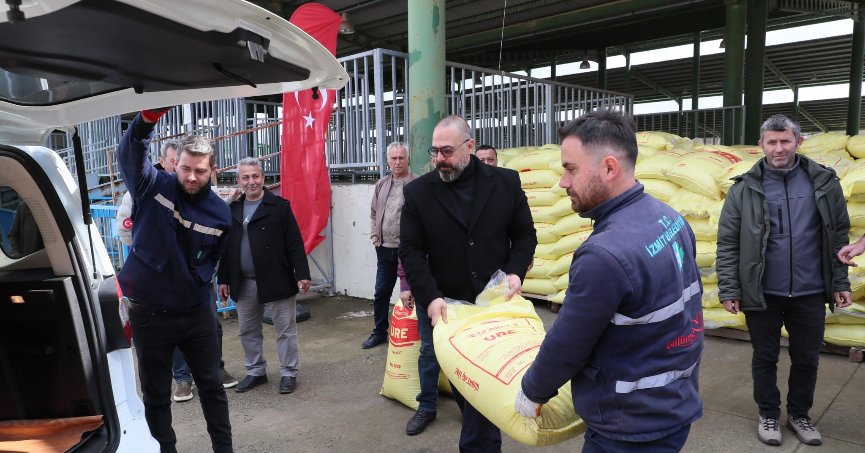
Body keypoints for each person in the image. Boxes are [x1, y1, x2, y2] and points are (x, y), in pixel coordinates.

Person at [515, 108, 703, 452]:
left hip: (629, 426)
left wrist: (532, 392)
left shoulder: (604, 254)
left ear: (609, 168)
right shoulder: (669, 217)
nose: (563, 182)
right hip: (673, 405)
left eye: (571, 169)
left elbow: (568, 344)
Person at [399, 116, 537, 446]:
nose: (439, 159)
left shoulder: (505, 182)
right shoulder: (418, 192)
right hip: (444, 305)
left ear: (470, 146)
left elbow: (524, 234)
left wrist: (515, 271)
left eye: (447, 151)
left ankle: (479, 441)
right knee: (465, 387)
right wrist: (430, 297)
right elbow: (411, 250)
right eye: (434, 151)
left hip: (493, 304)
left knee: (482, 391)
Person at [716, 114, 851, 447]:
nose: (779, 148)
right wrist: (730, 288)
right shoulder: (744, 189)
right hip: (762, 291)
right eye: (772, 142)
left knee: (807, 358)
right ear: (761, 145)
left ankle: (799, 415)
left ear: (798, 142)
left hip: (810, 290)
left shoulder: (824, 182)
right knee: (765, 358)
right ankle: (768, 414)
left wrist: (840, 282)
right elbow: (728, 243)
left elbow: (838, 236)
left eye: (785, 141)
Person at [117, 108, 233, 453]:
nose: (192, 177)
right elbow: (130, 155)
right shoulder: (152, 186)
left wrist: (198, 279)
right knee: (155, 394)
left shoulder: (220, 213)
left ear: (213, 170)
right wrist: (146, 120)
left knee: (212, 386)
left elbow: (214, 257)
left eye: (200, 170)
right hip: (149, 315)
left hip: (196, 314)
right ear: (174, 165)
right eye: (185, 168)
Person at [217, 157, 311, 394]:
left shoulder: (279, 207)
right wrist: (224, 278)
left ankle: (288, 373)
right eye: (246, 177)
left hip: (277, 279)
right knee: (247, 330)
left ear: (263, 178)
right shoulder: (233, 209)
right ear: (239, 181)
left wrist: (302, 273)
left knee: (285, 330)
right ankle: (256, 371)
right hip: (243, 282)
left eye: (255, 176)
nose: (251, 182)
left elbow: (295, 243)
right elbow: (227, 248)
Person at [363, 142, 419, 349]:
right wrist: (375, 237)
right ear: (387, 161)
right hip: (385, 248)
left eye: (401, 158)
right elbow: (373, 213)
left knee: (415, 293)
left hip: (410, 250)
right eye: (393, 158)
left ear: (408, 159)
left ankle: (417, 334)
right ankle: (379, 332)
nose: (397, 162)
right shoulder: (382, 184)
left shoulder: (417, 183)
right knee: (381, 293)